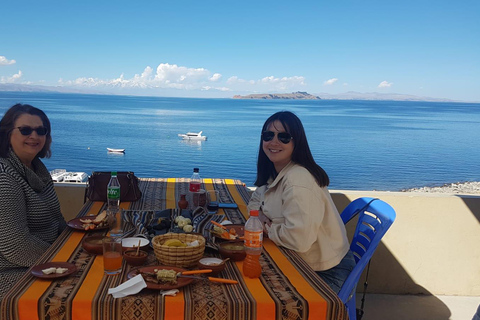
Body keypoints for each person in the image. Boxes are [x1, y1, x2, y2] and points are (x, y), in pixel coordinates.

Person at [247, 110, 355, 294]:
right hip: (301, 260)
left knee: (258, 296)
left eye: (284, 137)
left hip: (325, 271)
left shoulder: (298, 180)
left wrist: (265, 226)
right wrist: (263, 219)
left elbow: (298, 241)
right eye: (268, 135)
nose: (274, 142)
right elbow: (254, 203)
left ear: (297, 142)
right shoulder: (278, 171)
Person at [0, 103, 66, 300]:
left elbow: (57, 221)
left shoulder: (38, 169)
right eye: (25, 130)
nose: (34, 136)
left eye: (40, 130)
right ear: (7, 134)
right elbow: (16, 246)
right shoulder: (5, 177)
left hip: (42, 260)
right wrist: (65, 260)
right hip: (12, 272)